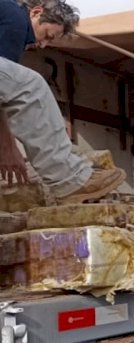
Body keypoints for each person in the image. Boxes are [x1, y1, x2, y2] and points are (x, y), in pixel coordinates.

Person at [0, 0, 126, 204]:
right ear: (36, 12)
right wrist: (6, 146)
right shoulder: (16, 20)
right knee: (31, 86)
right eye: (47, 35)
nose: (42, 45)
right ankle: (71, 180)